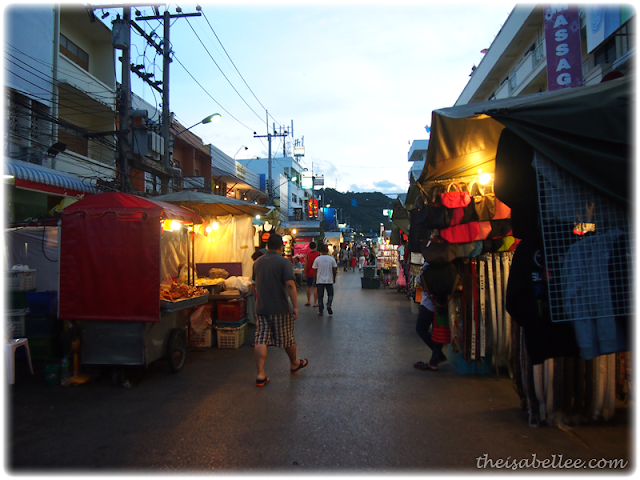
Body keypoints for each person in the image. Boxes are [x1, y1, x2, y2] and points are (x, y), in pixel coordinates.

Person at [252, 234, 308, 387]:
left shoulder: (257, 262)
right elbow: (290, 285)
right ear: (281, 247)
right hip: (280, 308)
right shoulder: (284, 262)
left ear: (267, 246)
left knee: (260, 339)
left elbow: (253, 283)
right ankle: (294, 363)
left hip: (261, 307)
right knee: (287, 338)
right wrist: (295, 306)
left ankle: (260, 374)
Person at [413, 261, 447, 371]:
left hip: (429, 302)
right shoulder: (448, 262)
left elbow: (419, 279)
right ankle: (434, 360)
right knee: (438, 330)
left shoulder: (429, 262)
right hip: (443, 302)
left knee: (421, 329)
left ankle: (438, 356)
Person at [312, 243, 338, 316]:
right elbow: (334, 270)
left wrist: (314, 279)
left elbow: (315, 270)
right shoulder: (331, 259)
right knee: (330, 294)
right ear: (327, 251)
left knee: (320, 296)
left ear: (320, 251)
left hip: (320, 280)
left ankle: (321, 311)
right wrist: (334, 278)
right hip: (329, 279)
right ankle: (329, 304)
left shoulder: (317, 259)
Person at [304, 242, 320, 307]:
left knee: (308, 287)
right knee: (315, 288)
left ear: (309, 247)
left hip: (309, 273)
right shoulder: (318, 254)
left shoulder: (307, 254)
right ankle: (315, 302)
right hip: (316, 273)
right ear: (315, 246)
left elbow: (306, 264)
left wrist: (304, 273)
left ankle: (308, 301)